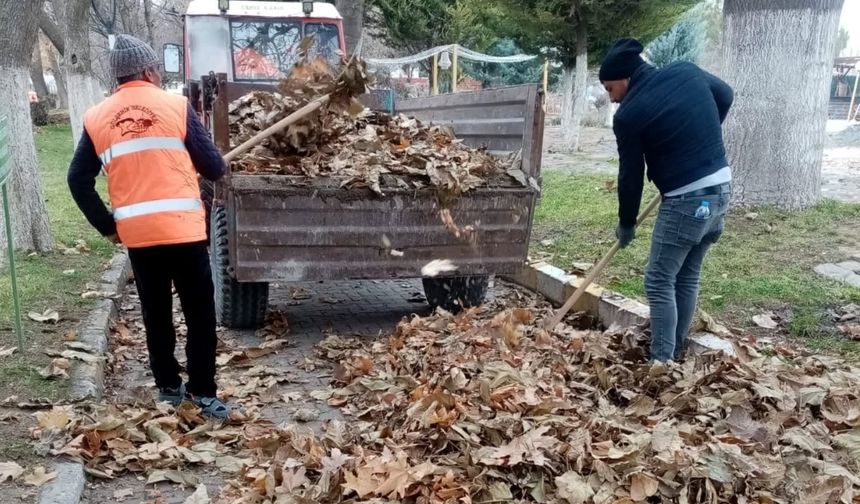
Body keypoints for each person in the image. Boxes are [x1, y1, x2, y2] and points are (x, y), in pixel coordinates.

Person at [68, 34, 232, 418]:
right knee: (199, 312)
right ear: (146, 71)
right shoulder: (176, 106)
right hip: (184, 232)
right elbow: (213, 167)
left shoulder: (96, 118)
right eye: (156, 68)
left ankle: (168, 389)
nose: (158, 73)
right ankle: (204, 394)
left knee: (155, 312)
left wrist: (107, 226)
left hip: (139, 237)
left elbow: (77, 179)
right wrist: (213, 161)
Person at [599, 38, 734, 363]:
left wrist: (627, 222)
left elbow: (630, 174)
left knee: (659, 279)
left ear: (626, 78)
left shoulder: (629, 115)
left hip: (687, 201)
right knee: (686, 275)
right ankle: (673, 351)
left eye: (610, 88)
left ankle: (661, 362)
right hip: (721, 188)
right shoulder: (685, 71)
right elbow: (725, 94)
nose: (611, 98)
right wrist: (696, 134)